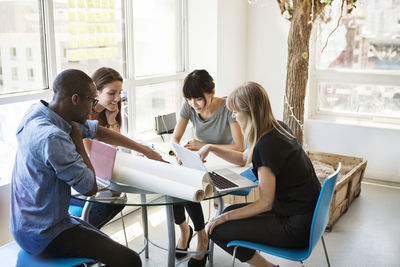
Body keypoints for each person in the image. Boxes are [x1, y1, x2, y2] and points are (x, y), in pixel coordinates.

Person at [10, 69, 165, 266]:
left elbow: (95, 131)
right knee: (131, 260)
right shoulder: (53, 136)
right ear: (75, 99)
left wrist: (145, 150)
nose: (93, 108)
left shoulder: (39, 112)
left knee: (104, 242)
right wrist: (77, 139)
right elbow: (89, 188)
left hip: (25, 225)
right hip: (44, 234)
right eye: (92, 101)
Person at [198, 82, 321, 267]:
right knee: (227, 212)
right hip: (308, 216)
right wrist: (211, 147)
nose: (233, 116)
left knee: (217, 229)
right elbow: (242, 158)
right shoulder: (277, 127)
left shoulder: (266, 146)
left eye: (235, 111)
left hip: (295, 227)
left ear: (250, 113)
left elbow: (265, 203)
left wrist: (225, 218)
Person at [171, 69, 245, 266]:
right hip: (200, 160)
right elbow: (175, 138)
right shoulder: (189, 106)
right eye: (189, 99)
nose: (194, 104)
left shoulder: (228, 107)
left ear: (212, 92)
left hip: (225, 163)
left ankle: (202, 237)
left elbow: (239, 147)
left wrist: (206, 147)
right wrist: (179, 152)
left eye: (198, 99)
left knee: (188, 185)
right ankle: (185, 230)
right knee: (174, 183)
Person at [69, 67, 125, 229]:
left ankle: (87, 233)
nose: (117, 98)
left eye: (120, 92)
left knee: (117, 197)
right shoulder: (84, 116)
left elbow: (114, 147)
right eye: (112, 93)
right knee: (115, 201)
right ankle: (83, 234)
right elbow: (91, 155)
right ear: (96, 92)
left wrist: (113, 121)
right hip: (74, 182)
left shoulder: (107, 112)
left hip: (95, 174)